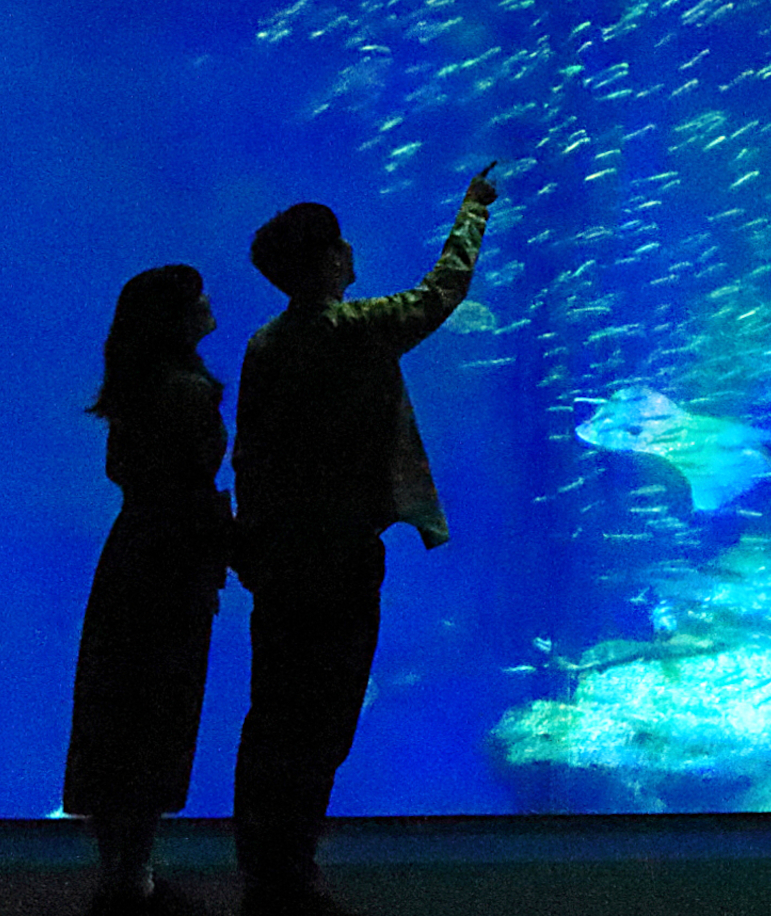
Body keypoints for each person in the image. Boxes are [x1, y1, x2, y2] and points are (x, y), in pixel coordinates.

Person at [230, 167, 497, 916]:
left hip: (280, 560)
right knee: (327, 712)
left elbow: (247, 453)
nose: (352, 251)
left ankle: (263, 864)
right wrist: (472, 212)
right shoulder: (355, 329)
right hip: (342, 555)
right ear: (324, 262)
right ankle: (295, 866)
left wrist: (253, 545)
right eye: (340, 244)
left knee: (273, 710)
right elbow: (441, 292)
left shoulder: (263, 345)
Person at [63, 263, 232, 915]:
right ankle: (134, 871)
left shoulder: (135, 387)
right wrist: (226, 547)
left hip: (132, 552)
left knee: (117, 707)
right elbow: (189, 488)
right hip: (173, 562)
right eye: (196, 297)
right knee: (158, 708)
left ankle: (122, 869)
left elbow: (127, 474)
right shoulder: (187, 391)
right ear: (175, 317)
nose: (208, 301)